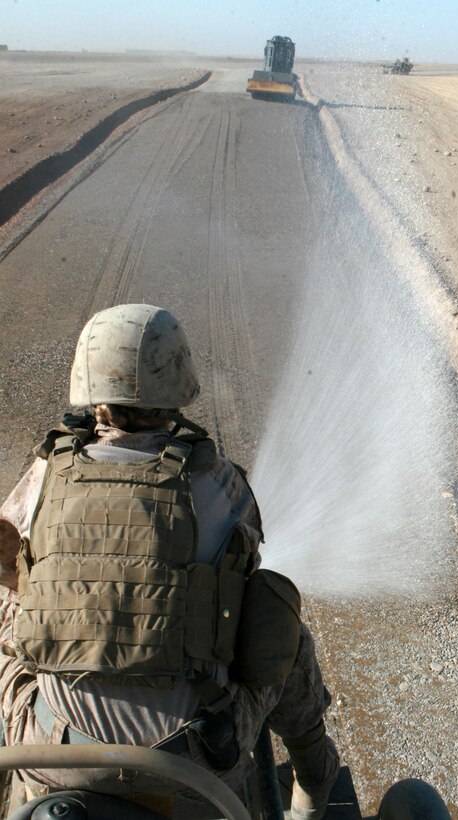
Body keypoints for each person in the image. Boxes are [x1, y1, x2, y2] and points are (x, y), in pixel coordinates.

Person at [0, 303, 339, 820]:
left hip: (57, 755)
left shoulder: (45, 477)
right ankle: (314, 780)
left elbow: (7, 559)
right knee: (272, 615)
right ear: (179, 387)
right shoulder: (219, 482)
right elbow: (245, 569)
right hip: (199, 763)